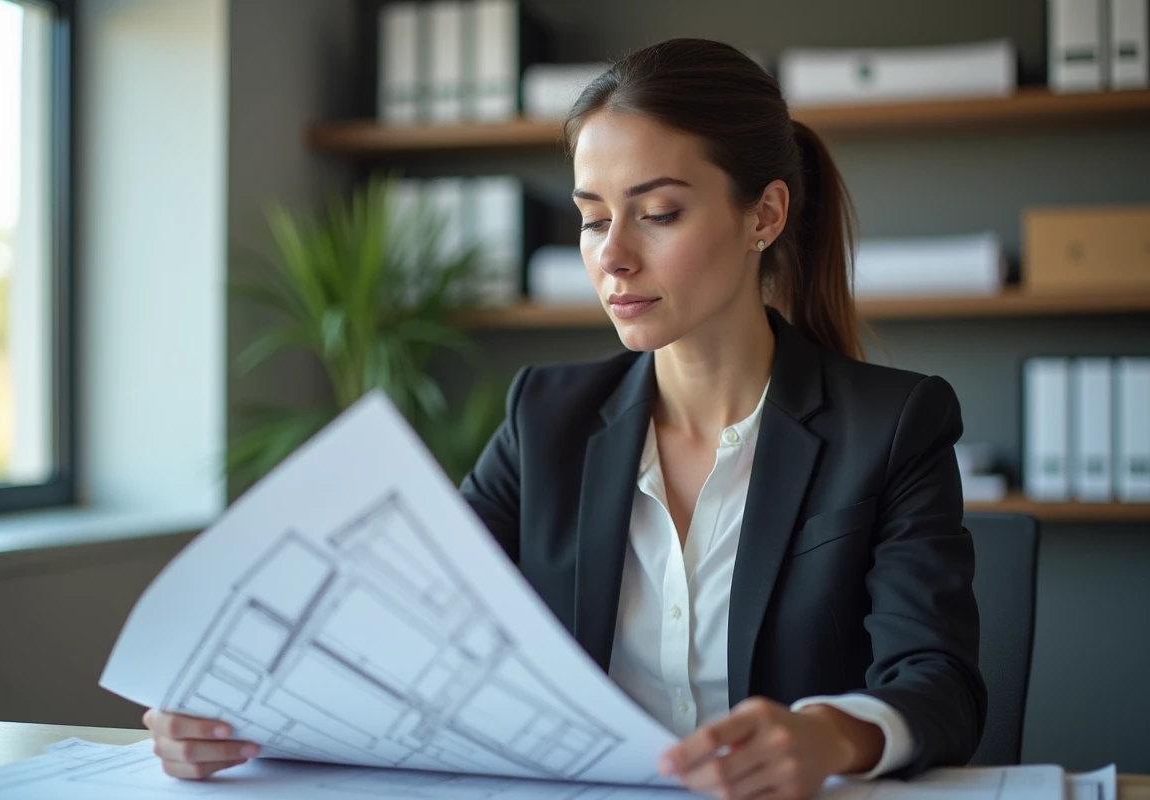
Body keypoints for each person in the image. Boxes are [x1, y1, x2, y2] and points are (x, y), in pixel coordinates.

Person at [143, 37, 985, 800]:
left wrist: (827, 736)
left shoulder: (895, 424)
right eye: (591, 218)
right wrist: (226, 711)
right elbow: (393, 634)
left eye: (657, 213)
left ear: (763, 215)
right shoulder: (545, 419)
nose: (612, 255)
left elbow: (937, 683)